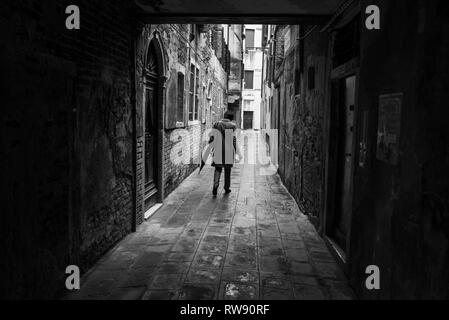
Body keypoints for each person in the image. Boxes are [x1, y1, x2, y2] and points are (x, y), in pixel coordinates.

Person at [206, 111, 241, 196]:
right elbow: (233, 139)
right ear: (231, 118)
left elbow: (212, 136)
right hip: (228, 151)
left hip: (218, 149)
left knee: (218, 169)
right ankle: (226, 188)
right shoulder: (232, 126)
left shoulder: (217, 124)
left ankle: (215, 186)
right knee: (227, 170)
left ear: (224, 116)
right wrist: (237, 151)